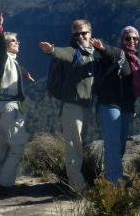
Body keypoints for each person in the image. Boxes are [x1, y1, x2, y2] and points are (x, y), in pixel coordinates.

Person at [39, 19, 100, 191]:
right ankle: (77, 187)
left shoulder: (94, 51)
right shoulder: (73, 51)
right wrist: (51, 50)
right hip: (72, 106)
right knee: (74, 146)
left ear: (90, 33)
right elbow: (61, 53)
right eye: (77, 34)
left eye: (84, 33)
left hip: (86, 105)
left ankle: (77, 181)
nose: (80, 36)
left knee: (79, 144)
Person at [0, 7, 34, 195]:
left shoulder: (11, 61)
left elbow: (15, 68)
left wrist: (24, 73)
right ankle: (4, 186)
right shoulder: (2, 57)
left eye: (17, 40)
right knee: (17, 145)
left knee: (2, 145)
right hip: (9, 107)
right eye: (13, 41)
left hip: (1, 107)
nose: (17, 43)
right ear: (6, 45)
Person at [90, 33, 135, 184]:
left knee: (120, 144)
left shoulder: (136, 60)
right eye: (127, 38)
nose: (131, 41)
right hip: (110, 104)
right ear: (121, 41)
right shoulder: (118, 53)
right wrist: (102, 48)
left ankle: (113, 175)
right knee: (113, 144)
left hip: (126, 108)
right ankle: (114, 183)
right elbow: (109, 53)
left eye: (135, 39)